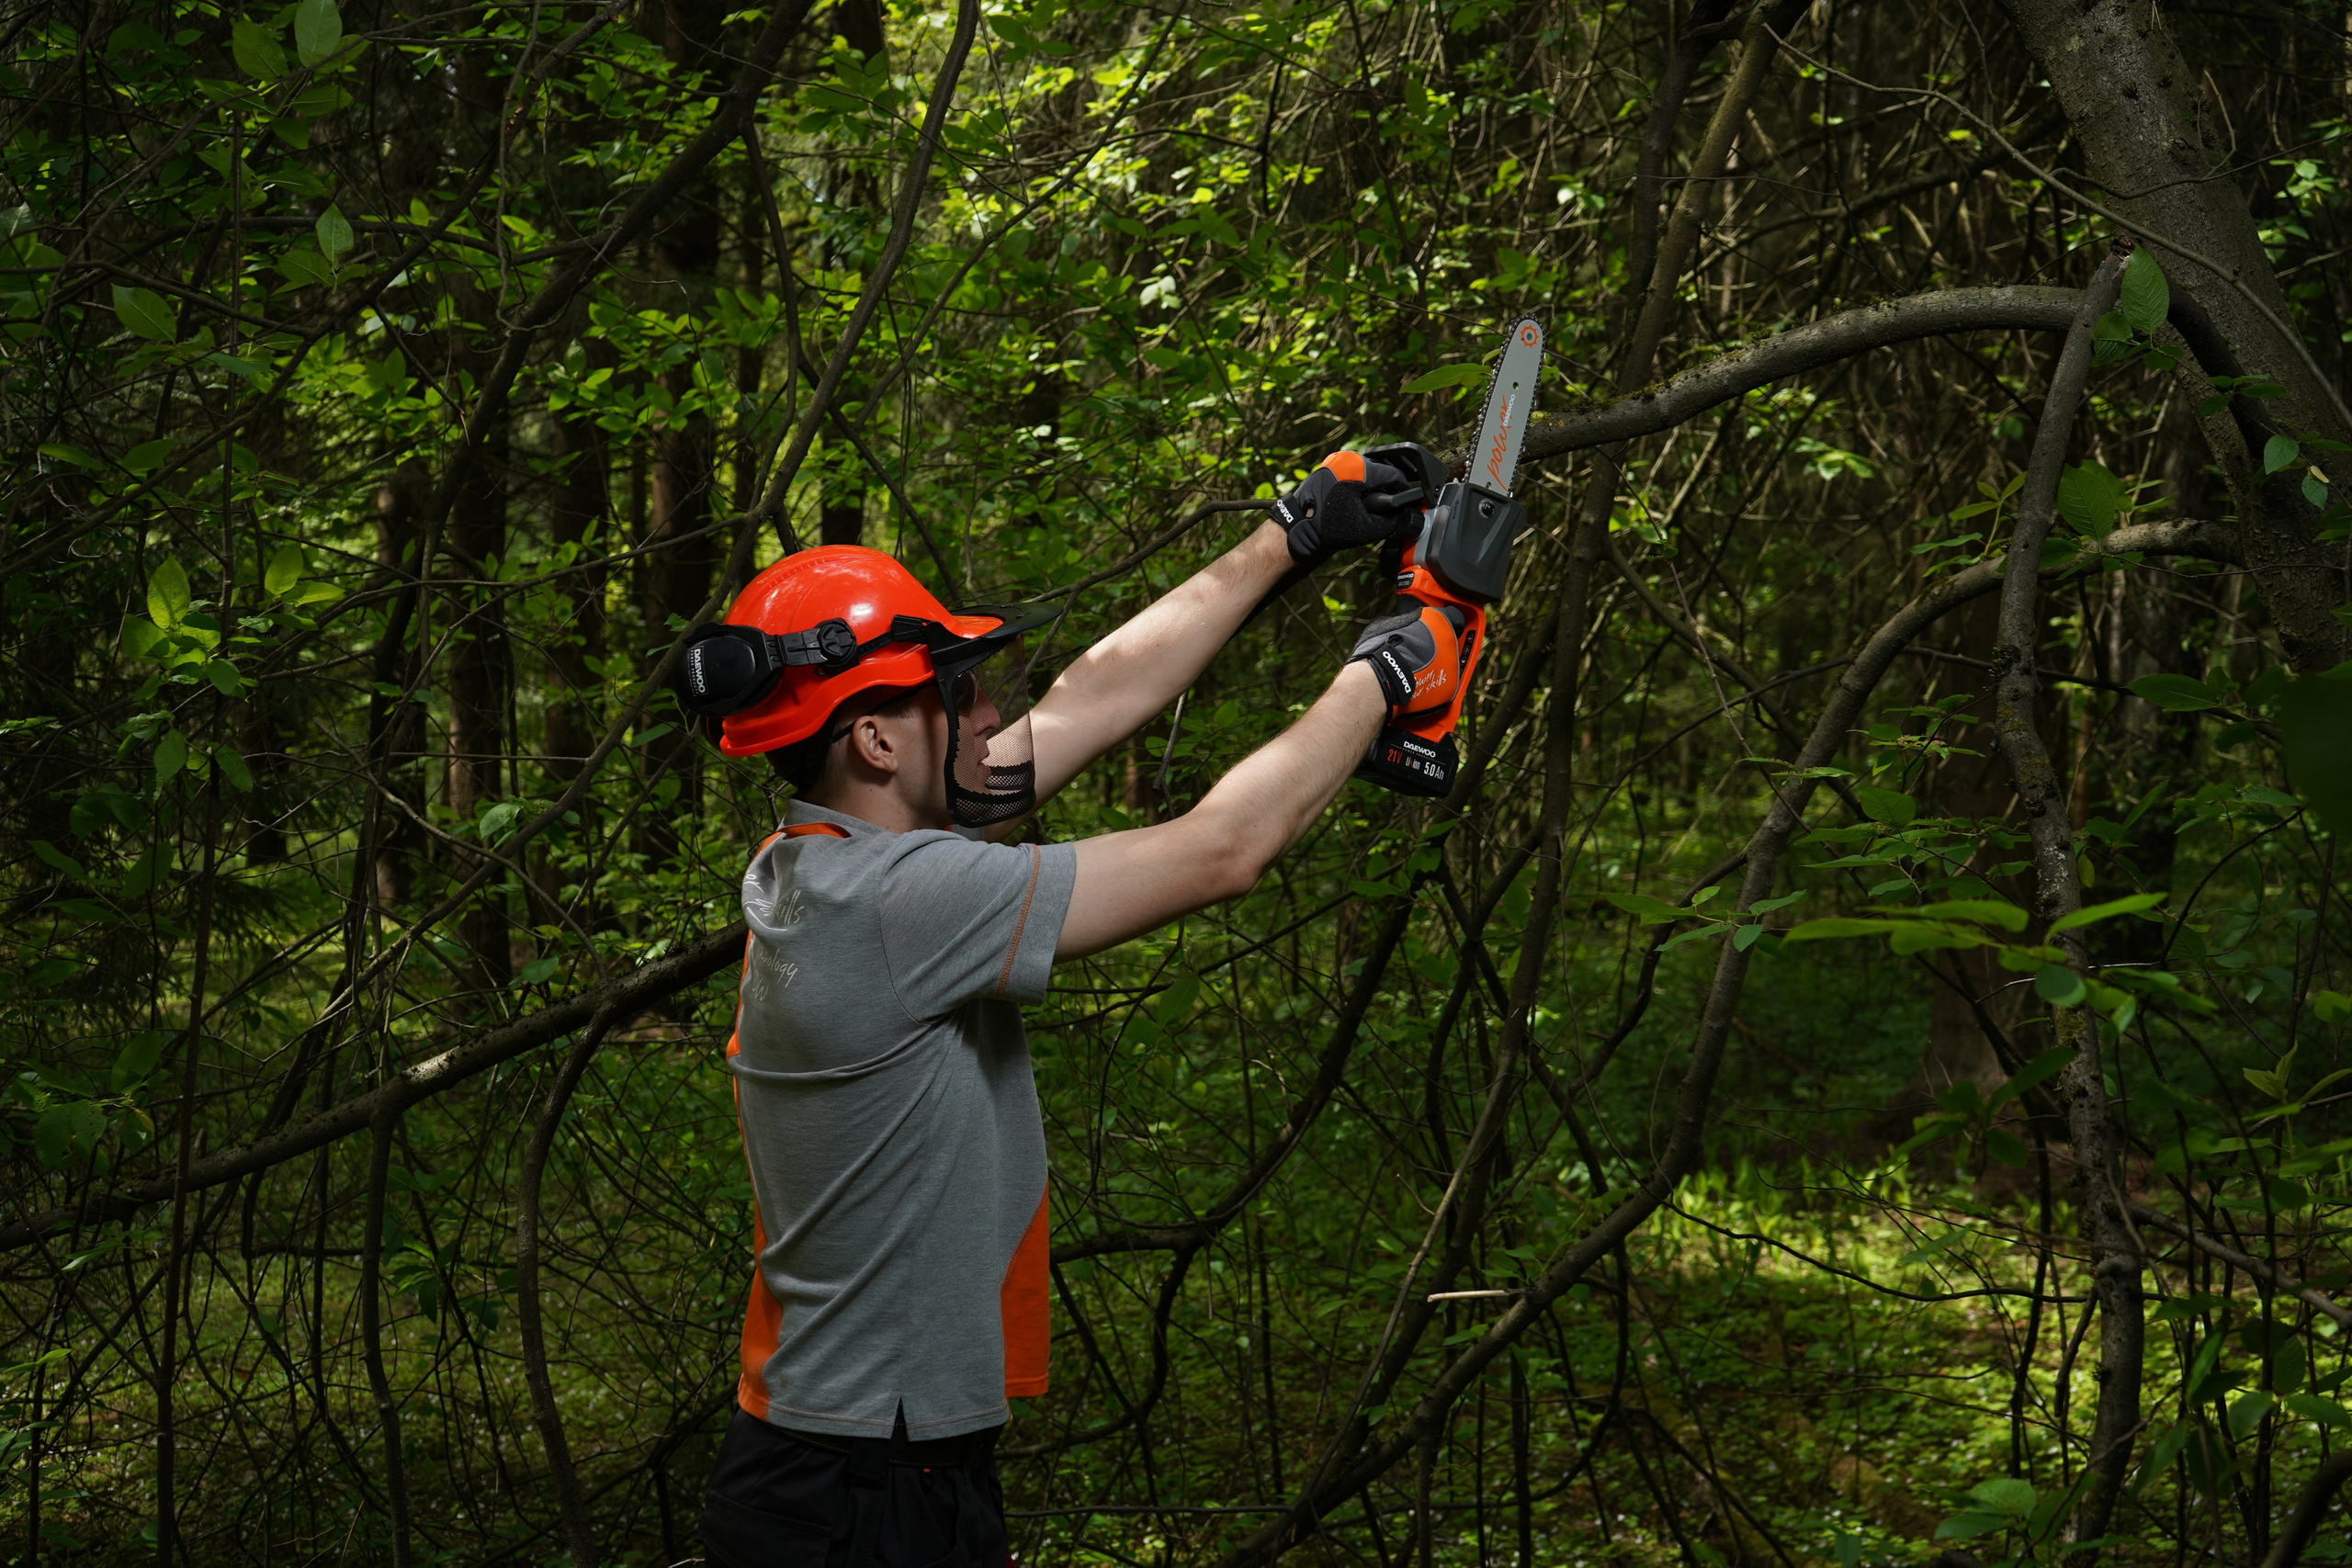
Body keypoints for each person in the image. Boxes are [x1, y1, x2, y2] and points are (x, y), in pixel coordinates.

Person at [677, 450, 1464, 1567]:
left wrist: (1290, 535)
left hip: (860, 1467)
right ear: (877, 740)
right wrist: (1391, 672)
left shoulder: (839, 861)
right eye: (957, 691)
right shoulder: (899, 901)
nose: (990, 713)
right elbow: (1221, 851)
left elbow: (1088, 703)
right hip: (859, 1497)